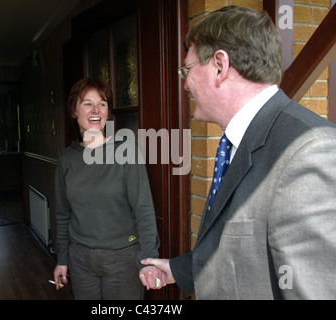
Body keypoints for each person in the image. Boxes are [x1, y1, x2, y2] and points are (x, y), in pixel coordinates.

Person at [140, 6, 336, 299]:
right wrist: (178, 270)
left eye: (187, 70)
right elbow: (244, 248)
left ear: (219, 65)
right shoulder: (238, 139)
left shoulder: (309, 151)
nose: (185, 84)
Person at [54, 78, 160, 300]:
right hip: (80, 259)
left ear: (108, 112)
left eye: (102, 104)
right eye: (87, 103)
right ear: (74, 111)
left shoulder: (127, 152)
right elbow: (63, 214)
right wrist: (62, 259)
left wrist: (149, 259)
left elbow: (144, 209)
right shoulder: (66, 159)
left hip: (122, 258)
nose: (96, 110)